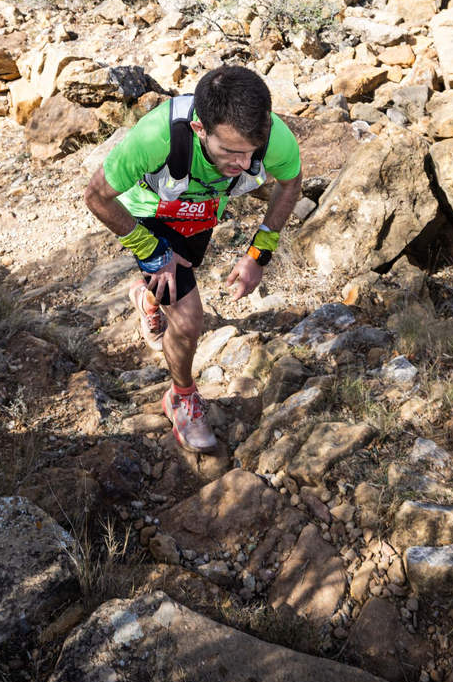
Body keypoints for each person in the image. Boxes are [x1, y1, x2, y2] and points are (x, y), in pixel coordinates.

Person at [84, 65, 302, 453]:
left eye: (251, 152)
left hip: (200, 214)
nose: (244, 164)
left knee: (171, 284)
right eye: (230, 152)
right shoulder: (155, 137)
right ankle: (181, 396)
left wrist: (259, 252)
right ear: (200, 129)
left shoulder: (275, 138)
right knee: (188, 321)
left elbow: (291, 182)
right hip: (149, 212)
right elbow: (96, 196)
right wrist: (152, 252)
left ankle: (147, 298)